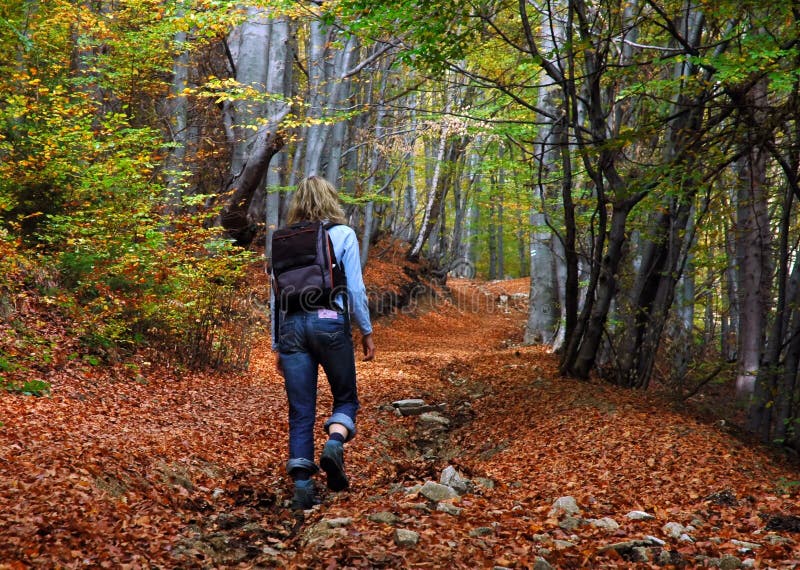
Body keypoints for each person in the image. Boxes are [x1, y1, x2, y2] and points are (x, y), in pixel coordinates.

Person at [270, 175, 376, 511]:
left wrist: (277, 344)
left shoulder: (280, 240)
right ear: (331, 200)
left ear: (297, 203)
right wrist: (367, 330)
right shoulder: (343, 234)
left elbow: (275, 299)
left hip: (291, 328)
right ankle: (334, 443)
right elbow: (356, 290)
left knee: (300, 410)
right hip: (330, 322)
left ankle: (302, 485)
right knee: (345, 398)